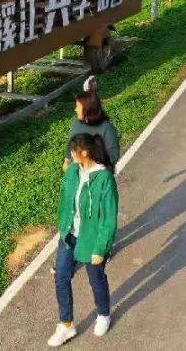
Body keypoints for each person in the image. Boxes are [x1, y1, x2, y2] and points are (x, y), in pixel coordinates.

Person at [48, 134, 119, 346]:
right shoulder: (72, 171)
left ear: (84, 152)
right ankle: (66, 325)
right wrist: (63, 226)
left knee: (95, 278)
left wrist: (101, 248)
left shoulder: (104, 179)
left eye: (73, 151)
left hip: (92, 238)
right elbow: (64, 199)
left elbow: (109, 217)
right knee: (61, 276)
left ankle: (104, 313)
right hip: (70, 235)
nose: (70, 155)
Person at [63, 84, 121, 171]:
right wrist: (67, 161)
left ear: (87, 109)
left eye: (78, 107)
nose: (75, 109)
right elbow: (71, 145)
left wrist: (93, 168)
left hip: (99, 175)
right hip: (78, 173)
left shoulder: (106, 128)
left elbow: (113, 155)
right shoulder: (77, 124)